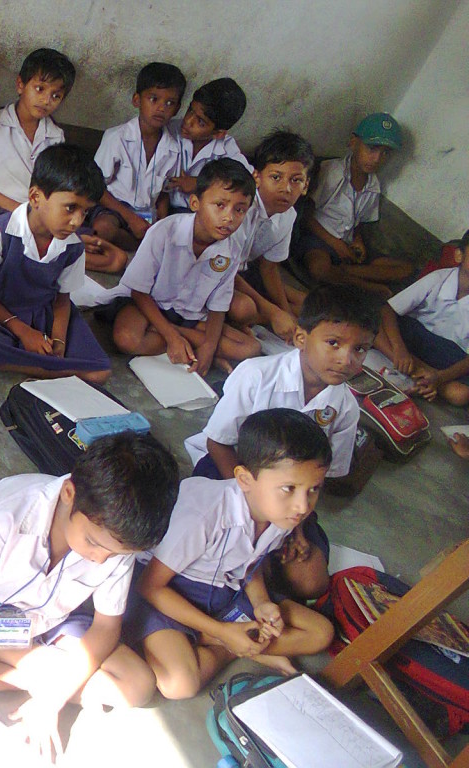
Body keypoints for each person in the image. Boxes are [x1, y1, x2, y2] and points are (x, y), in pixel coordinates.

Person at [0, 432, 179, 758]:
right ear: (70, 493)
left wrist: (49, 701)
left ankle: (15, 663)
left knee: (137, 685)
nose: (100, 559)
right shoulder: (10, 512)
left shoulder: (116, 538)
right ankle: (23, 667)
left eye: (115, 554)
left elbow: (106, 628)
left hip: (44, 619)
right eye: (95, 544)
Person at [184, 284, 380, 600]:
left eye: (360, 349)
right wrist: (257, 509)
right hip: (231, 474)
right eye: (333, 343)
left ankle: (263, 563)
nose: (346, 359)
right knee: (203, 553)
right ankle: (257, 569)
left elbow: (323, 477)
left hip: (291, 496)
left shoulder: (344, 407)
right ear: (301, 338)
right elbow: (218, 444)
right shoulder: (257, 376)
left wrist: (293, 529)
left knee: (311, 583)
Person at [132, 409, 336, 700]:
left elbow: (250, 563)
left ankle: (231, 642)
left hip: (225, 591)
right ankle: (230, 645)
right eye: (289, 489)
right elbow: (150, 587)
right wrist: (223, 632)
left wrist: (262, 602)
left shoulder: (280, 513)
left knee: (320, 632)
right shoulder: (204, 513)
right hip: (171, 593)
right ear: (244, 479)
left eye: (313, 489)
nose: (303, 506)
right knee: (180, 684)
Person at [0, 143, 111, 382]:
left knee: (100, 372)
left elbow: (62, 300)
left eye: (85, 212)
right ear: (35, 197)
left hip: (43, 313)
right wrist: (24, 331)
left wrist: (58, 342)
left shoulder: (73, 247)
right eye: (70, 208)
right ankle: (38, 366)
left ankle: (5, 365)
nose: (77, 221)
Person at [107, 158, 263, 375]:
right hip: (148, 306)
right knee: (126, 340)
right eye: (220, 205)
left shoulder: (232, 250)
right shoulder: (164, 232)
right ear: (195, 203)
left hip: (190, 318)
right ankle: (183, 342)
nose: (229, 217)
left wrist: (208, 347)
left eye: (240, 210)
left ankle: (187, 342)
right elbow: (139, 292)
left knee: (251, 348)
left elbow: (218, 306)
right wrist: (171, 337)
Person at [295, 112, 413, 296]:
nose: (377, 159)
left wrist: (357, 241)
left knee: (405, 270)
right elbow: (306, 218)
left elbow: (359, 223)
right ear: (353, 142)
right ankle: (366, 286)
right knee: (319, 269)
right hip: (319, 240)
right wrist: (335, 244)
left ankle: (346, 273)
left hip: (347, 247)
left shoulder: (374, 186)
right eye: (372, 148)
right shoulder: (332, 171)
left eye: (385, 153)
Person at [87, 61, 185, 270]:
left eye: (170, 103)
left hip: (148, 214)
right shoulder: (116, 138)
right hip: (112, 208)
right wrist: (130, 218)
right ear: (137, 100)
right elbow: (95, 187)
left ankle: (136, 248)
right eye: (154, 99)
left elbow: (165, 193)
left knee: (168, 241)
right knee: (103, 229)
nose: (161, 108)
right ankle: (137, 248)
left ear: (177, 109)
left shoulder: (173, 148)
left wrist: (160, 225)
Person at [0, 48, 74, 215]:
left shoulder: (56, 136)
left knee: (80, 235)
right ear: (20, 85)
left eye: (56, 96)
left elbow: (55, 186)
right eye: (39, 89)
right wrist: (17, 209)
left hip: (39, 215)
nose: (46, 100)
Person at [227, 130, 315, 342]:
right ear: (257, 177)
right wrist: (274, 313)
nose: (286, 188)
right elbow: (225, 270)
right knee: (244, 309)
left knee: (308, 305)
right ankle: (251, 320)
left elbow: (269, 267)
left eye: (296, 180)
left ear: (306, 186)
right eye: (276, 177)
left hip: (246, 273)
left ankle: (267, 318)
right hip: (218, 272)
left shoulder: (288, 215)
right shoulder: (239, 208)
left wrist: (286, 314)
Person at [375, 228, 469, 406]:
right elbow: (388, 309)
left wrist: (440, 377)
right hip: (413, 337)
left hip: (448, 358)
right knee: (373, 325)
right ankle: (419, 374)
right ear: (459, 256)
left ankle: (419, 375)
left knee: (462, 395)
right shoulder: (439, 278)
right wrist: (400, 349)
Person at [165, 77, 250, 214]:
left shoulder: (226, 149)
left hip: (199, 217)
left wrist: (200, 184)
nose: (188, 121)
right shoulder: (169, 130)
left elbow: (244, 183)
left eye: (201, 122)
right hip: (161, 208)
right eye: (190, 110)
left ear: (218, 133)